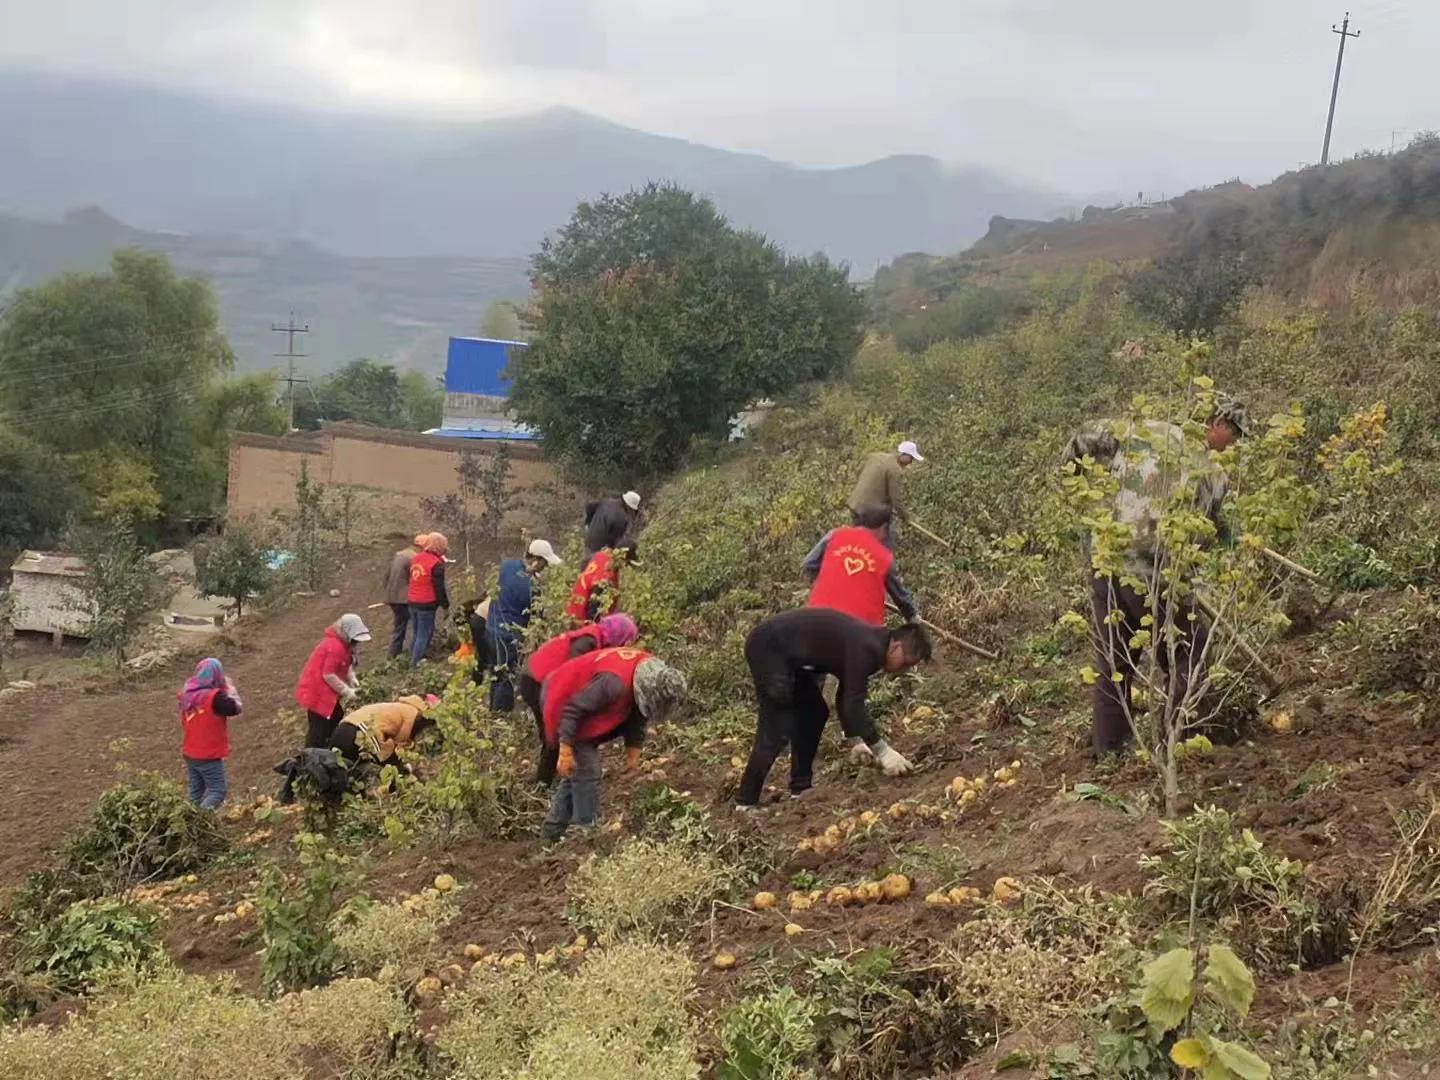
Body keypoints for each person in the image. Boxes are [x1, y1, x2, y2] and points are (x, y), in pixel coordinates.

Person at [1061, 393, 1247, 757]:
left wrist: (1079, 486)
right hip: (1158, 573)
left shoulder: (1142, 430)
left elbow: (1085, 437)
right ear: (1218, 424)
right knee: (1188, 655)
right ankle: (1175, 745)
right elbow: (1198, 541)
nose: (1233, 446)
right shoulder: (1213, 475)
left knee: (1114, 662)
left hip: (1107, 560)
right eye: (1235, 436)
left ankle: (1109, 753)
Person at [735, 608, 932, 809]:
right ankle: (745, 802)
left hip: (790, 658)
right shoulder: (867, 647)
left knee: (815, 713)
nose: (903, 670)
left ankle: (800, 789)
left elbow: (846, 697)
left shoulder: (872, 645)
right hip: (769, 648)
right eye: (906, 663)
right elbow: (853, 706)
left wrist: (855, 739)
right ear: (896, 647)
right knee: (778, 725)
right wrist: (882, 750)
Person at [539, 647, 687, 840]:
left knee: (578, 773)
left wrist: (632, 757)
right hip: (561, 699)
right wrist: (565, 751)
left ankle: (550, 835)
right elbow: (572, 710)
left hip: (584, 708)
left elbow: (638, 715)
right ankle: (584, 833)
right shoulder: (613, 683)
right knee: (588, 771)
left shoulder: (649, 670)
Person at [520, 613, 639, 783]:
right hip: (536, 679)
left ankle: (553, 779)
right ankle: (543, 785)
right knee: (553, 735)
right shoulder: (587, 641)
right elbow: (571, 675)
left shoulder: (596, 637)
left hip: (541, 678)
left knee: (557, 733)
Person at [803, 504, 918, 625]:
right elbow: (900, 597)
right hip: (860, 629)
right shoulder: (884, 558)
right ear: (884, 527)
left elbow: (809, 564)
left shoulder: (835, 535)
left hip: (817, 618)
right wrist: (913, 616)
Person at [487, 538, 563, 711]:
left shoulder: (507, 566)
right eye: (544, 564)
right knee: (507, 676)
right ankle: (501, 717)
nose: (545, 568)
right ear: (536, 559)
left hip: (491, 627)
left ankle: (492, 711)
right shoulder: (531, 588)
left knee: (496, 674)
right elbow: (537, 618)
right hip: (509, 635)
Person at [295, 613, 371, 748]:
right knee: (318, 728)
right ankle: (310, 758)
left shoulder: (343, 645)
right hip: (317, 692)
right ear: (347, 633)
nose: (357, 643)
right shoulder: (334, 647)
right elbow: (328, 674)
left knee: (336, 717)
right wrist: (347, 691)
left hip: (326, 691)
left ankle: (330, 747)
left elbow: (344, 664)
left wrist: (351, 678)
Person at [178, 657, 243, 809]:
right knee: (217, 790)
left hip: (190, 752)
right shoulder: (215, 698)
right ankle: (199, 821)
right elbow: (235, 708)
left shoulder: (187, 695)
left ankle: (186, 818)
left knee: (195, 791)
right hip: (207, 754)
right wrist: (230, 688)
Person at [846, 441, 924, 547]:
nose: (910, 462)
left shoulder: (876, 457)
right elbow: (896, 499)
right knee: (883, 543)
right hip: (870, 512)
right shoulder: (895, 470)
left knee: (858, 542)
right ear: (903, 455)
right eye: (911, 458)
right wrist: (905, 517)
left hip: (855, 505)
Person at [331, 694, 440, 766]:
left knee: (352, 770)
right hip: (361, 729)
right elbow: (400, 742)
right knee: (389, 763)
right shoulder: (413, 715)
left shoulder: (401, 707)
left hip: (343, 730)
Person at [407, 532, 451, 665]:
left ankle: (412, 657)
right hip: (426, 603)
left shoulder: (416, 558)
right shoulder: (436, 564)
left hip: (412, 600)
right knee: (424, 633)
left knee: (416, 631)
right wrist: (445, 606)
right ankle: (415, 663)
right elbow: (439, 588)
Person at [564, 544, 635, 623]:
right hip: (581, 619)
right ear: (621, 561)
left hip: (572, 611)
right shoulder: (605, 577)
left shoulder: (601, 556)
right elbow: (593, 609)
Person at [384, 533, 427, 659]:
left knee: (399, 626)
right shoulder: (415, 557)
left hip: (392, 596)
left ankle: (393, 655)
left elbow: (386, 576)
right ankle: (415, 654)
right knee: (417, 626)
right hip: (404, 598)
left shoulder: (400, 554)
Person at [583, 491, 641, 558]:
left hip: (589, 542)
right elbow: (616, 543)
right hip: (600, 552)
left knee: (588, 566)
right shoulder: (623, 518)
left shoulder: (606, 501)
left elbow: (589, 507)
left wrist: (588, 524)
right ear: (629, 507)